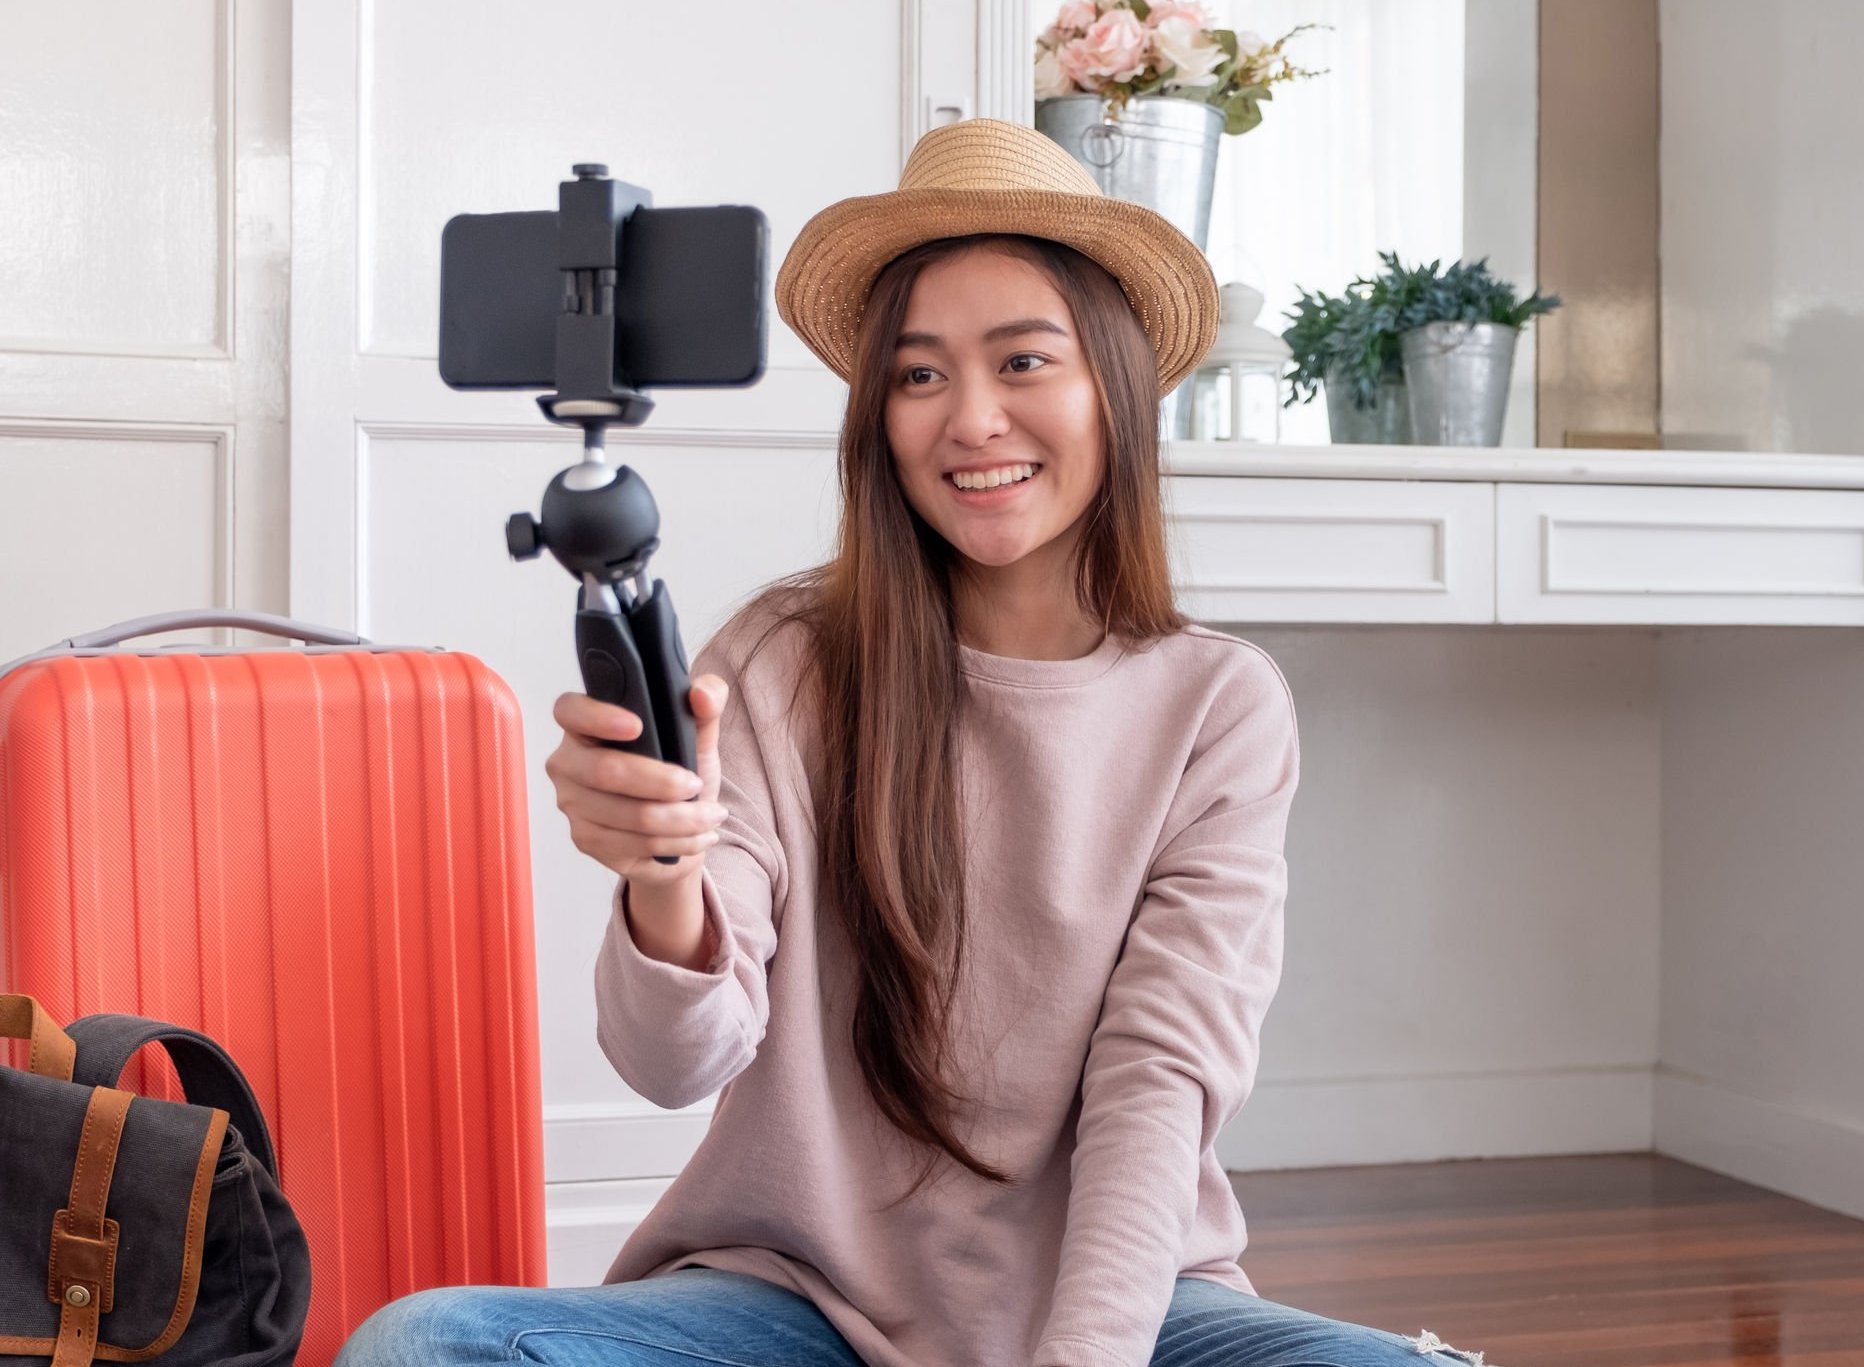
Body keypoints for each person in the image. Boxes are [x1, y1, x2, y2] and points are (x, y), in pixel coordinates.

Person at [333, 119, 1493, 1367]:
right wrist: (659, 874)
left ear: (1114, 383)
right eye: (920, 374)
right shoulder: (778, 656)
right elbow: (676, 1061)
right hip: (796, 1304)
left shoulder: (1217, 702)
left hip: (1129, 1310)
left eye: (1024, 361)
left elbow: (1159, 1078)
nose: (972, 419)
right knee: (428, 1343)